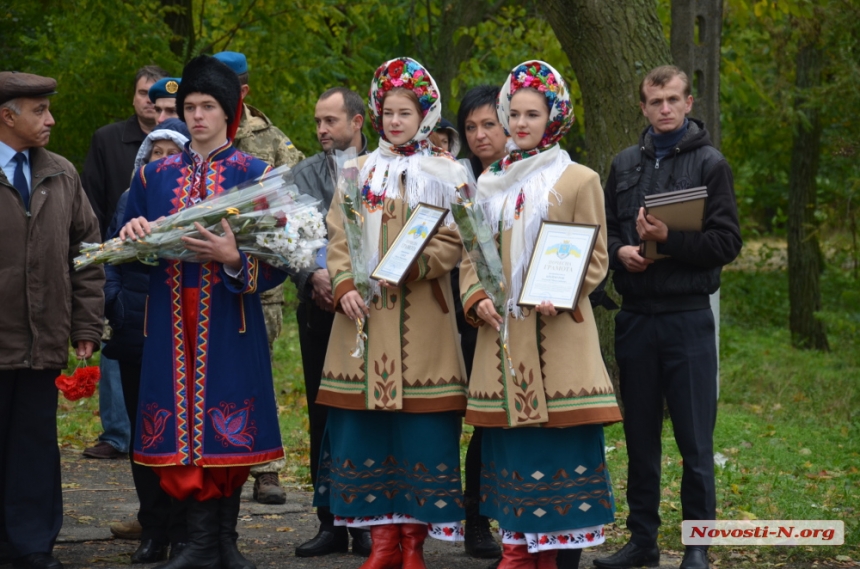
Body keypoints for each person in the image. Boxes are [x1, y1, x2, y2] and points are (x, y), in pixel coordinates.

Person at [119, 55, 287, 569]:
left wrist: (235, 258)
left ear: (229, 112)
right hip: (172, 320)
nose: (196, 116)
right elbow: (126, 246)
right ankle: (195, 542)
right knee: (179, 431)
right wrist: (133, 239)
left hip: (229, 321)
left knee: (224, 426)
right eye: (189, 106)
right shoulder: (154, 175)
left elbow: (283, 259)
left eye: (207, 106)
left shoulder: (255, 175)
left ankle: (224, 540)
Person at [461, 61, 622, 569]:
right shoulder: (490, 182)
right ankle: (517, 551)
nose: (522, 122)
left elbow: (594, 257)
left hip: (560, 338)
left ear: (555, 117)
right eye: (514, 112)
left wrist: (566, 291)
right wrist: (476, 297)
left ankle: (559, 560)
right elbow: (472, 256)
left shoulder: (579, 179)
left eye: (533, 113)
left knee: (561, 450)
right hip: (503, 340)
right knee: (512, 449)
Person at [313, 57, 469, 569]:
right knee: (366, 434)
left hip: (424, 321)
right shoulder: (356, 172)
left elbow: (459, 241)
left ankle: (413, 544)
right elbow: (338, 237)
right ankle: (381, 543)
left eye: (406, 112)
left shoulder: (447, 172)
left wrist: (414, 265)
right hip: (361, 324)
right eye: (388, 111)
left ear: (425, 115)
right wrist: (342, 286)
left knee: (420, 434)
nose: (395, 120)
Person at [593, 65, 741, 569]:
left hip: (688, 318)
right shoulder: (624, 163)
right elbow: (608, 232)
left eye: (673, 99)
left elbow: (727, 243)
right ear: (643, 106)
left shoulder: (710, 164)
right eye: (655, 101)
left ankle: (697, 545)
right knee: (640, 439)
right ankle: (642, 542)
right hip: (635, 318)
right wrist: (620, 254)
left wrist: (667, 241)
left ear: (688, 102)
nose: (664, 109)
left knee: (695, 441)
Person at [0, 71, 104, 569]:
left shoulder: (61, 173)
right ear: (7, 115)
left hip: (42, 342)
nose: (50, 119)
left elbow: (87, 253)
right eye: (39, 110)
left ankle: (33, 546)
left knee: (35, 449)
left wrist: (85, 326)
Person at [212, 50, 305, 505]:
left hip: (257, 282)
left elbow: (300, 196)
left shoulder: (269, 140)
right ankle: (214, 461)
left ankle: (266, 469)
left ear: (243, 92)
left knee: (258, 373)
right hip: (202, 281)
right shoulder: (195, 133)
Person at [290, 87, 372, 558]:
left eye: (331, 121)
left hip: (372, 311)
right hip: (320, 311)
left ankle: (364, 519)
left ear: (357, 122)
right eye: (318, 121)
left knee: (362, 415)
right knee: (323, 415)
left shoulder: (383, 168)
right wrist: (311, 277)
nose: (321, 130)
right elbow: (292, 235)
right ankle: (328, 521)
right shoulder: (303, 174)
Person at [104, 119, 191, 563]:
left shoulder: (194, 202)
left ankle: (184, 529)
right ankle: (153, 529)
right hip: (136, 329)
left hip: (183, 329)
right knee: (146, 434)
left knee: (182, 435)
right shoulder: (130, 198)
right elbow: (112, 253)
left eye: (171, 152)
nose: (163, 160)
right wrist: (115, 302)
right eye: (155, 152)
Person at [81, 64, 169, 463]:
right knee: (118, 357)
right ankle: (117, 434)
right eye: (143, 94)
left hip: (162, 282)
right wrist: (106, 278)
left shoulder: (182, 146)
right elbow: (93, 201)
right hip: (116, 263)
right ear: (133, 98)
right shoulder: (109, 139)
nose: (151, 104)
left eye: (160, 98)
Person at [448, 84, 510, 561]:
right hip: (471, 316)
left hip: (530, 316)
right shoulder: (458, 179)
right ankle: (475, 519)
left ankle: (520, 515)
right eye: (470, 127)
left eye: (488, 124)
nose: (479, 135)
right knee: (485, 421)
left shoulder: (527, 174)